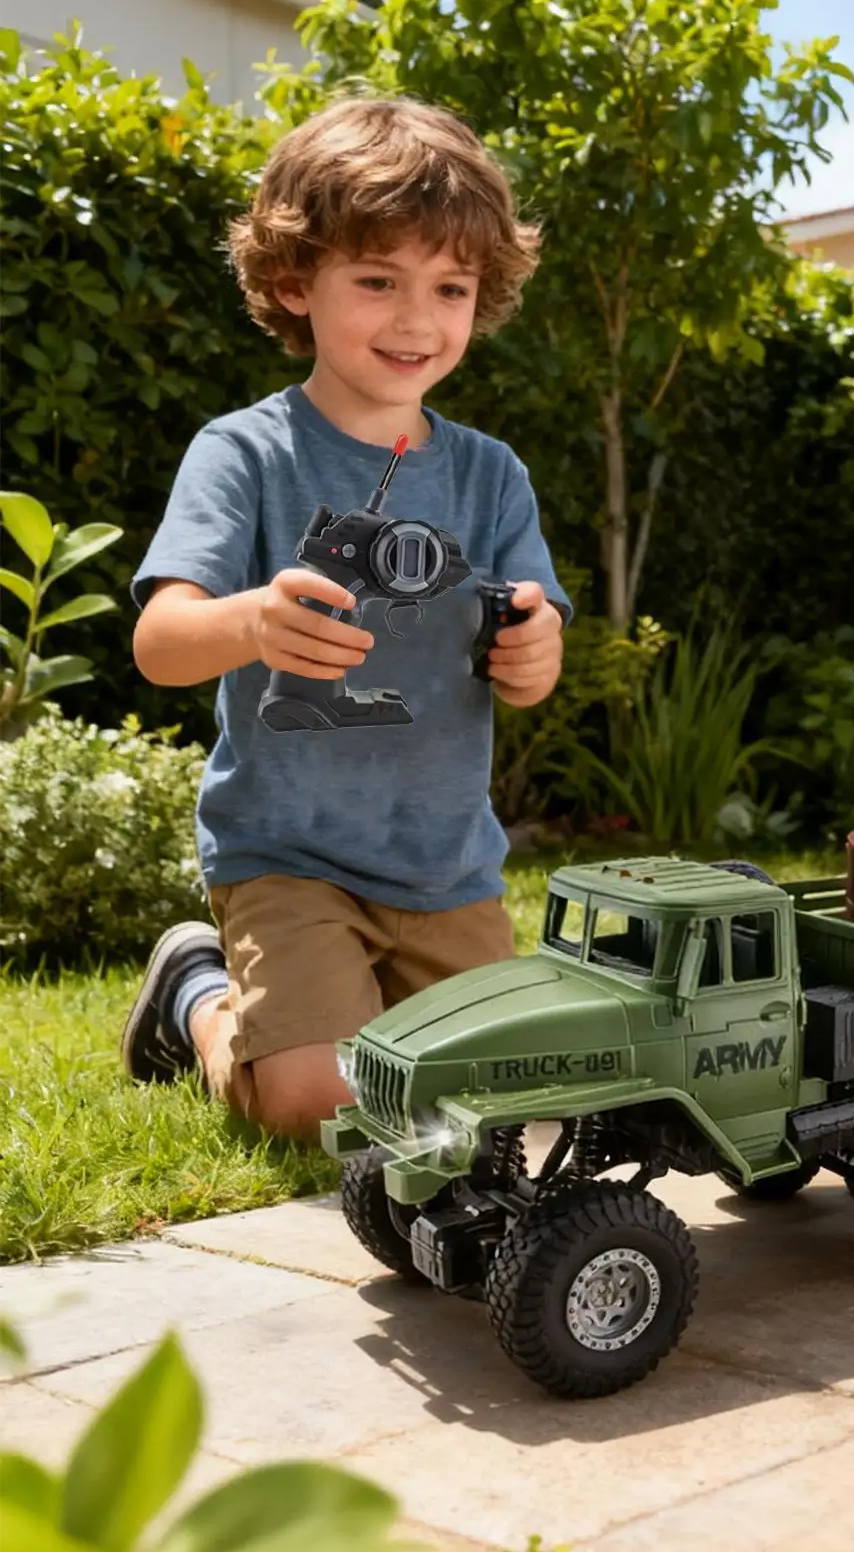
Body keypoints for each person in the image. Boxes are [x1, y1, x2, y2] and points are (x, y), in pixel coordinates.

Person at [120, 96, 570, 1141]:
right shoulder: (244, 453)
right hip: (289, 859)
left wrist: (533, 649)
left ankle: (304, 1006)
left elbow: (532, 654)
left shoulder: (492, 474)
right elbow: (160, 641)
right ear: (293, 281)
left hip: (445, 865)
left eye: (449, 287)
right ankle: (197, 994)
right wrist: (252, 621)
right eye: (377, 280)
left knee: (498, 1105)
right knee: (319, 1102)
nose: (416, 320)